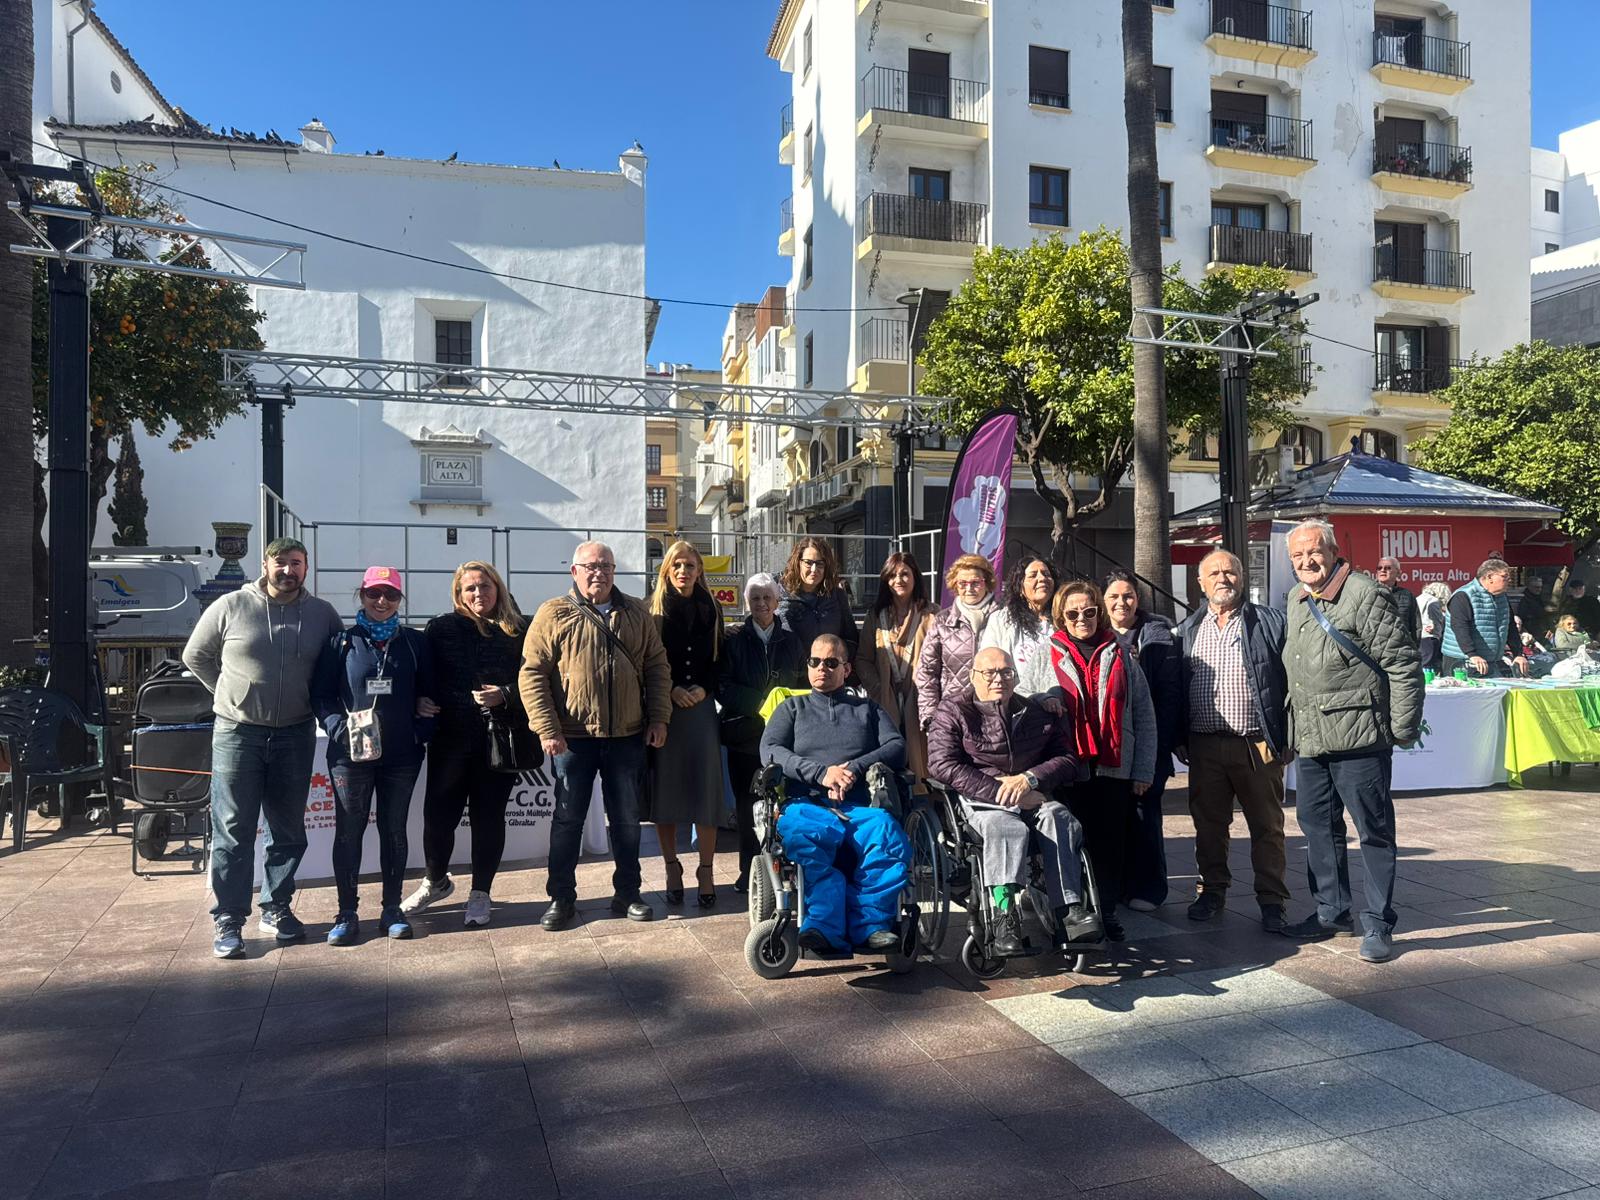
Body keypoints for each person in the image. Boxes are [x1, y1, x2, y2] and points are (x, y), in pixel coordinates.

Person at [183, 536, 343, 959]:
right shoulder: (232, 605)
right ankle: (229, 919)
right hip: (238, 733)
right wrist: (227, 696)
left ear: (306, 569)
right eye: (280, 562)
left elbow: (336, 667)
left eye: (296, 563)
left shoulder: (323, 614)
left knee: (288, 829)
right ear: (265, 564)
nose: (288, 571)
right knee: (234, 831)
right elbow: (195, 655)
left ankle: (276, 907)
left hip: (295, 732)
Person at [1281, 519, 1423, 964]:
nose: (1306, 561)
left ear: (1333, 549)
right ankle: (1331, 911)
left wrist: (1401, 729)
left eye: (1313, 551)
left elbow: (1403, 664)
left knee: (1374, 832)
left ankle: (1378, 922)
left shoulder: (1364, 593)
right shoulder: (1296, 599)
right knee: (1317, 828)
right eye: (1297, 556)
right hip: (1312, 740)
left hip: (1361, 739)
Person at [523, 541, 672, 930]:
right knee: (567, 820)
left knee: (626, 819)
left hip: (627, 734)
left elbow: (657, 667)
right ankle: (561, 898)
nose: (598, 573)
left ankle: (628, 892)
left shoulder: (636, 612)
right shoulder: (553, 613)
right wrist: (547, 728)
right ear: (574, 571)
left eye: (606, 566)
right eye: (590, 566)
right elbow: (532, 674)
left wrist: (659, 717)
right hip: (572, 739)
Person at [926, 647, 1099, 954]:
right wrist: (1001, 791)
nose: (998, 679)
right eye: (989, 672)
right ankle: (1005, 917)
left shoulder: (1035, 712)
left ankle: (1069, 910)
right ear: (972, 677)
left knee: (1060, 819)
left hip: (1032, 793)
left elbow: (1067, 758)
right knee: (1007, 828)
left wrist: (1029, 779)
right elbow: (942, 764)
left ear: (1017, 677)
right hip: (982, 797)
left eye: (1006, 672)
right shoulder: (953, 710)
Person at [759, 634, 911, 954]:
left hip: (858, 805)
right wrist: (821, 773)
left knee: (885, 831)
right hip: (807, 802)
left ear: (846, 669)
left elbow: (897, 747)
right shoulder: (791, 708)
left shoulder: (867, 709)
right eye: (815, 661)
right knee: (806, 831)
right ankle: (823, 927)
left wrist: (855, 767)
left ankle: (871, 925)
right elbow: (770, 751)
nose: (821, 668)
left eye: (831, 663)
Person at [312, 567, 436, 944]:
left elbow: (432, 694)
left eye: (391, 595)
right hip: (350, 756)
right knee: (349, 832)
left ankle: (391, 908)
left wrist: (420, 731)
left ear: (400, 600)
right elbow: (321, 695)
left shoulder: (414, 643)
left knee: (393, 830)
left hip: (401, 755)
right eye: (373, 594)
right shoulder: (341, 643)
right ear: (361, 596)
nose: (382, 601)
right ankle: (347, 912)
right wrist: (338, 729)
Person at [403, 562, 528, 928]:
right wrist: (419, 700)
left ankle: (481, 892)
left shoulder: (518, 629)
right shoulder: (440, 628)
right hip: (450, 739)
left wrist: (505, 694)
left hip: (499, 740)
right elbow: (421, 676)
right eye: (470, 588)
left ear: (498, 589)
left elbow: (539, 680)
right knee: (438, 818)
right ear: (459, 593)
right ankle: (435, 881)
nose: (478, 594)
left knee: (489, 820)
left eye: (485, 586)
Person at [1174, 551, 1291, 932]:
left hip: (1257, 743)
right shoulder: (1189, 628)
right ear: (1201, 582)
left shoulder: (1269, 623)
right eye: (1214, 573)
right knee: (1208, 825)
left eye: (1230, 571)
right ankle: (1212, 891)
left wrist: (1287, 737)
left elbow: (1292, 682)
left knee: (1267, 825)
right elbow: (1178, 686)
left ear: (1242, 578)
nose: (1223, 578)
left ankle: (1272, 900)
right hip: (1205, 745)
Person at [1043, 580, 1158, 943]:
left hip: (1114, 767)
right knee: (1069, 843)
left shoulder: (1120, 652)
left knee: (1110, 845)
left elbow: (1144, 714)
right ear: (1061, 615)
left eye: (1089, 612)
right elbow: (1028, 707)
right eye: (1073, 613)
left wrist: (1142, 770)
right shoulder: (1046, 655)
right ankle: (1073, 914)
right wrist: (1043, 702)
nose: (1082, 619)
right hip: (1066, 769)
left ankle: (1106, 910)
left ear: (1099, 612)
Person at [647, 542, 725, 907]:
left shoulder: (712, 608)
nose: (684, 571)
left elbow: (718, 659)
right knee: (668, 789)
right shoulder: (654, 610)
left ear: (700, 570)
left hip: (702, 707)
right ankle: (672, 866)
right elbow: (646, 662)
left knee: (706, 789)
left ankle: (706, 870)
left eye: (690, 565)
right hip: (667, 707)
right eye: (677, 565)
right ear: (667, 570)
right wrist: (673, 690)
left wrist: (703, 689)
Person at [719, 573, 804, 894]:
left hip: (784, 737)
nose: (762, 603)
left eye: (767, 597)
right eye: (755, 598)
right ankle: (748, 870)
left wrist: (782, 710)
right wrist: (761, 703)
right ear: (747, 603)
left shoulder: (792, 641)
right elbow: (722, 685)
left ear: (777, 602)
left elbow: (800, 686)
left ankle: (785, 867)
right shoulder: (733, 639)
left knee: (784, 802)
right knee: (746, 805)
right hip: (745, 733)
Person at [1103, 570, 1181, 913]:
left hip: (1148, 748)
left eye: (1128, 596)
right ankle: (1118, 885)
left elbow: (1168, 696)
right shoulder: (1096, 634)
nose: (1122, 602)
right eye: (1114, 597)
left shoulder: (1157, 637)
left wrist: (1156, 749)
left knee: (1146, 816)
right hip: (1109, 749)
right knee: (1114, 819)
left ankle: (1150, 887)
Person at [854, 552, 938, 778]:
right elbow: (863, 659)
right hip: (885, 699)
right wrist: (880, 688)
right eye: (892, 575)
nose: (898, 580)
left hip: (920, 699)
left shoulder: (932, 614)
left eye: (904, 574)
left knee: (922, 759)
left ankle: (925, 801)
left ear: (915, 577)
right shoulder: (876, 616)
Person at [916, 554, 998, 735]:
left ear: (987, 582)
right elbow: (926, 672)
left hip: (996, 712)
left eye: (976, 582)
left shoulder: (1003, 617)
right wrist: (931, 715)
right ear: (955, 585)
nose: (969, 588)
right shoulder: (942, 621)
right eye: (962, 583)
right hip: (953, 713)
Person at [985, 557, 1059, 702]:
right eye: (1033, 575)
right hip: (1015, 704)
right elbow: (990, 662)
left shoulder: (1064, 620)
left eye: (1046, 574)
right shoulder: (1001, 620)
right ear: (1020, 587)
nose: (1042, 578)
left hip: (1058, 704)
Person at [1440, 558, 1529, 679]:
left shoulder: (1502, 597)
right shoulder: (1464, 596)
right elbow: (1460, 628)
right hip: (1463, 660)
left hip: (1491, 661)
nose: (1509, 580)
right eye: (1504, 576)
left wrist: (1518, 653)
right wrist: (1472, 654)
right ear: (1489, 577)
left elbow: (1510, 627)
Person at [778, 537, 860, 660]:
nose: (814, 569)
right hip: (793, 672)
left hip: (827, 671)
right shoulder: (780, 593)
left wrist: (837, 660)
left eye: (820, 563)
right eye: (808, 562)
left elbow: (851, 638)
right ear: (798, 562)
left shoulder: (837, 596)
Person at [1373, 557, 1420, 644]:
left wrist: (1413, 649)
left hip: (1401, 649)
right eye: (1379, 568)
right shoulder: (1369, 592)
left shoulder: (1407, 595)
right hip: (1374, 649)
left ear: (1398, 573)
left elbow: (1416, 626)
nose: (1382, 570)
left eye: (1388, 568)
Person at [1417, 582, 1449, 672]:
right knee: (1428, 664)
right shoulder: (1434, 601)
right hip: (1430, 637)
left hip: (1419, 635)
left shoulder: (1419, 598)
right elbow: (1437, 620)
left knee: (1423, 663)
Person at [1516, 574, 1551, 644]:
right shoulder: (1523, 599)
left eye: (1541, 587)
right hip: (1531, 633)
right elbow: (1522, 618)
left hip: (1541, 631)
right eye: (1536, 587)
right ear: (1529, 586)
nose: (1539, 589)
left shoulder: (1539, 598)